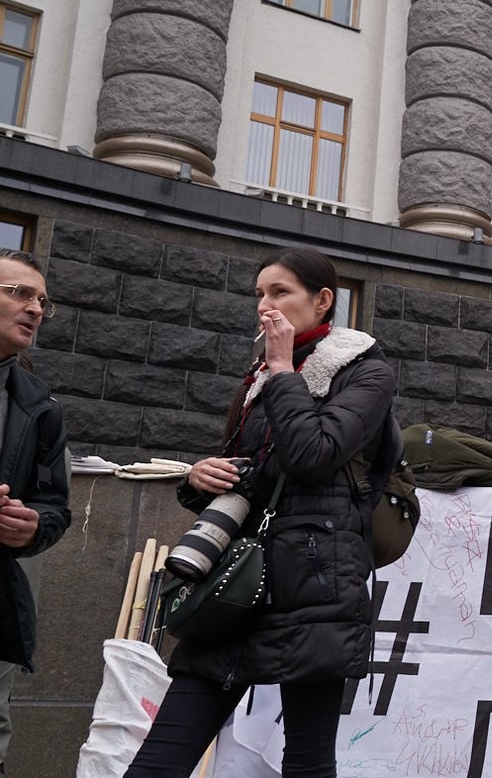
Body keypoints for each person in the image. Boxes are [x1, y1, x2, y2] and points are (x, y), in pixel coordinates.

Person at [127, 247, 398, 778]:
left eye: (280, 292)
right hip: (234, 584)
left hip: (315, 588)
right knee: (159, 761)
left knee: (306, 764)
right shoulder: (260, 380)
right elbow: (255, 474)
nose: (264, 305)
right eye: (259, 294)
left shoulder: (366, 372)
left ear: (322, 301)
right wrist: (199, 477)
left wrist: (280, 370)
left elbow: (313, 456)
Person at [0, 249, 71, 775]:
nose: (35, 309)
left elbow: (54, 507)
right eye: (19, 293)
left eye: (42, 300)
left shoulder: (39, 406)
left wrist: (31, 527)